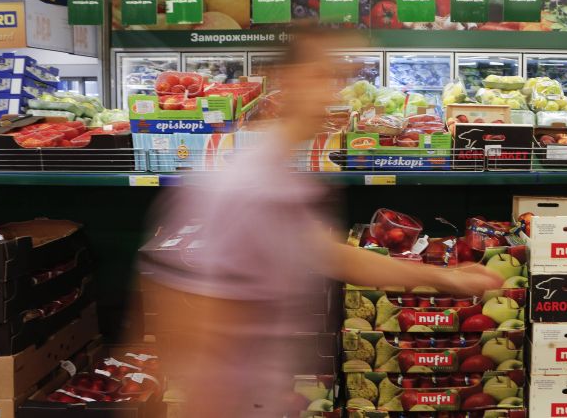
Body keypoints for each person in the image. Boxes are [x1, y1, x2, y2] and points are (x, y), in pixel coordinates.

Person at [138, 26, 503, 417]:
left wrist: (448, 279)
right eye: (321, 77)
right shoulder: (243, 184)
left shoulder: (282, 175)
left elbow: (328, 255)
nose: (332, 94)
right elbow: (195, 328)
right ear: (288, 81)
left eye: (338, 80)